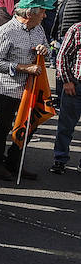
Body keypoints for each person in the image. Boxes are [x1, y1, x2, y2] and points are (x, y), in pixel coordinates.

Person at [0, 0, 49, 181]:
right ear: (29, 14)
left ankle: (14, 162)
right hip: (8, 88)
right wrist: (23, 67)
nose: (45, 15)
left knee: (29, 126)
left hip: (31, 88)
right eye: (42, 12)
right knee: (3, 126)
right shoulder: (6, 32)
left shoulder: (38, 28)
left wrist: (44, 50)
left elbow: (45, 46)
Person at [53, 17, 81, 174]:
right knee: (66, 126)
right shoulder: (77, 29)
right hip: (76, 86)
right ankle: (60, 159)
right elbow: (62, 57)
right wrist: (67, 81)